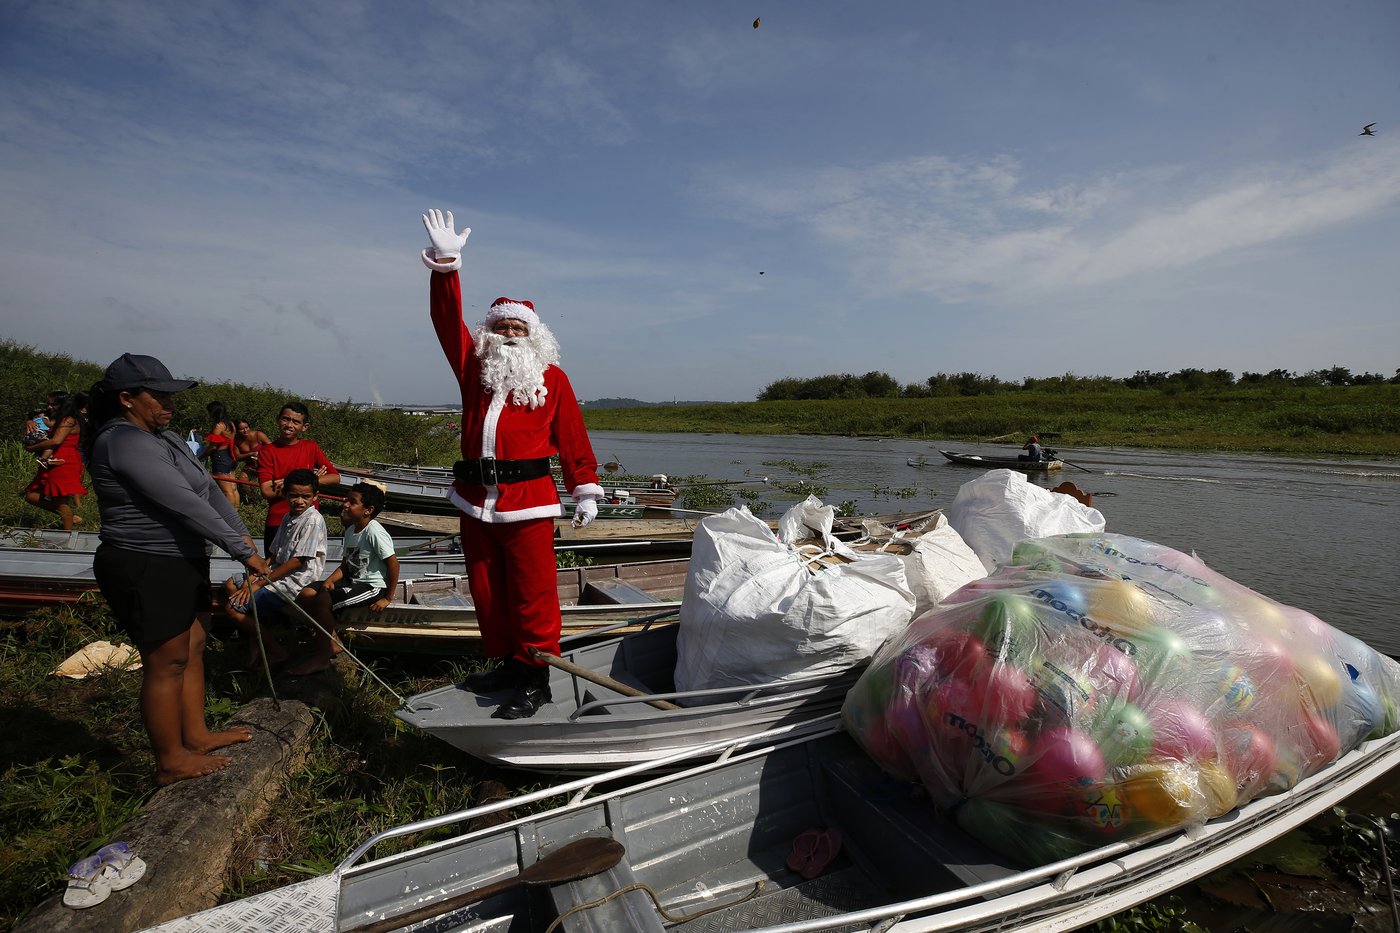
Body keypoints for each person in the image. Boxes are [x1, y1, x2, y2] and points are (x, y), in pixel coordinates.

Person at [420, 208, 604, 719]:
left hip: (528, 503)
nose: (508, 332)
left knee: (532, 594)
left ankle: (537, 676)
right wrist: (446, 267)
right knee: (488, 590)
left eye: (517, 326)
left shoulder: (553, 380)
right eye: (500, 325)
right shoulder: (473, 369)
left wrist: (584, 488)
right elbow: (445, 322)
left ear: (534, 334)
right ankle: (508, 664)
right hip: (475, 502)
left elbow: (573, 439)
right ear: (488, 332)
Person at [84, 353, 271, 786]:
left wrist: (244, 539)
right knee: (166, 660)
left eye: (171, 394)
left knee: (194, 645)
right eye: (159, 395)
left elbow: (208, 493)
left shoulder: (163, 437)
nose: (169, 403)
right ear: (127, 398)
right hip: (145, 561)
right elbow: (180, 502)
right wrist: (240, 551)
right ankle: (170, 760)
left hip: (184, 558)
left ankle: (197, 736)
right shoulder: (122, 440)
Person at [221, 468, 327, 666]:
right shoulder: (288, 517)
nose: (299, 501)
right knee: (231, 584)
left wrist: (258, 584)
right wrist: (255, 575)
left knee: (232, 608)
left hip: (295, 580)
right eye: (294, 495)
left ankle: (276, 650)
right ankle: (256, 637)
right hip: (276, 572)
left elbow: (297, 562)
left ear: (315, 496)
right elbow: (274, 555)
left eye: (306, 496)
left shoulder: (312, 520)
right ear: (285, 494)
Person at [290, 481, 398, 676]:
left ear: (368, 510)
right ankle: (333, 639)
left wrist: (387, 597)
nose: (345, 504)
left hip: (371, 586)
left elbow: (393, 564)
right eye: (347, 500)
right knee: (306, 594)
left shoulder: (374, 531)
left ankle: (322, 657)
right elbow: (346, 564)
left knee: (323, 600)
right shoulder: (351, 530)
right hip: (352, 580)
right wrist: (330, 580)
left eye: (352, 502)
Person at [256, 402, 340, 556]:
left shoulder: (310, 447)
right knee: (274, 566)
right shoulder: (267, 451)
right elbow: (266, 491)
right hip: (278, 521)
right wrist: (309, 482)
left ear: (304, 427)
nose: (289, 425)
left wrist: (301, 481)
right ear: (278, 420)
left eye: (296, 422)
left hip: (308, 521)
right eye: (285, 419)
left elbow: (335, 477)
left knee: (304, 565)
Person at [24, 391, 89, 529]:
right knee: (31, 495)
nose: (49, 407)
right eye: (48, 403)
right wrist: (30, 421)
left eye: (53, 404)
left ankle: (67, 534)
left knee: (60, 501)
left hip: (63, 461)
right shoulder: (58, 417)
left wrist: (32, 448)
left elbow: (56, 440)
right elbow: (37, 416)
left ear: (63, 404)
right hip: (53, 460)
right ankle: (69, 516)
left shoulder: (68, 420)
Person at [203, 401, 240, 506]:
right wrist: (201, 433)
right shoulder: (230, 424)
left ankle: (230, 513)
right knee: (233, 488)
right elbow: (224, 438)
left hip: (220, 458)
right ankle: (236, 510)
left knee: (226, 491)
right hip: (229, 456)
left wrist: (202, 456)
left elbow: (213, 446)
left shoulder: (218, 425)